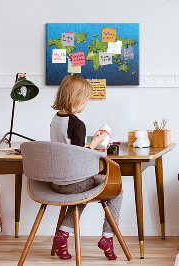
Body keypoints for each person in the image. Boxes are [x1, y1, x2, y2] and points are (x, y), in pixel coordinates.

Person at [50, 75, 123, 260]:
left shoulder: (55, 120)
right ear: (77, 99)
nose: (86, 103)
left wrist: (93, 145)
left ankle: (63, 235)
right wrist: (96, 143)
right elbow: (79, 156)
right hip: (73, 182)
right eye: (86, 99)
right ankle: (108, 237)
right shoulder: (77, 124)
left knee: (81, 194)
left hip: (56, 182)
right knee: (116, 189)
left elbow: (68, 149)